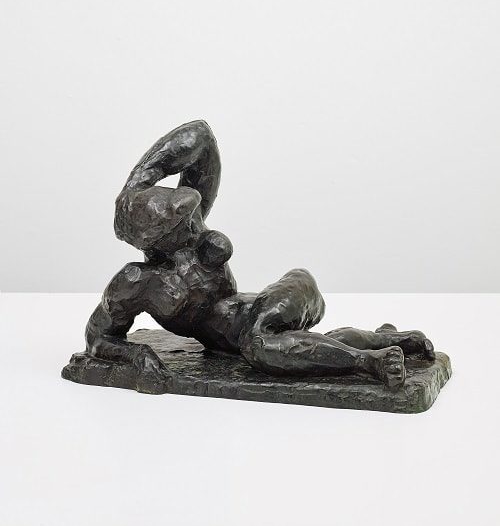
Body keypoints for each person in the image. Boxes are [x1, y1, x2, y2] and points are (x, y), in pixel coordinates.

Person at [86, 121, 434, 388]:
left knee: (260, 344)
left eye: (191, 214)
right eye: (182, 222)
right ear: (157, 239)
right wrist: (138, 354)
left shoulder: (194, 230)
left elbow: (200, 137)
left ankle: (369, 363)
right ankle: (383, 340)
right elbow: (98, 337)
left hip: (287, 293)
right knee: (282, 347)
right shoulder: (138, 281)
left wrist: (136, 184)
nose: (194, 222)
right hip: (258, 331)